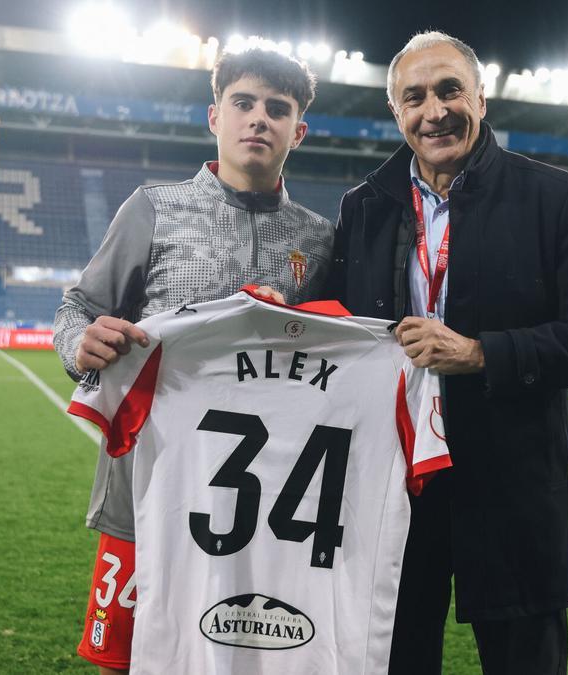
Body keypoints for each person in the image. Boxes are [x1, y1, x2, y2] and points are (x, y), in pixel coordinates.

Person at [321, 31, 568, 674]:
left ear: (482, 99)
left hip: (513, 491)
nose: (433, 110)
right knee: (397, 659)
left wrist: (482, 353)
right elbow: (333, 334)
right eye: (414, 97)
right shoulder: (364, 209)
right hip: (395, 493)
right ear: (397, 113)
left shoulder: (555, 196)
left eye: (449, 90)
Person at [52, 47, 332, 674]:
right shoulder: (152, 207)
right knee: (124, 658)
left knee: (254, 653)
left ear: (298, 130)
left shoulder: (319, 239)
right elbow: (78, 308)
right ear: (215, 116)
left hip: (269, 497)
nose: (258, 118)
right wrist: (80, 344)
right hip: (147, 484)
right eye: (243, 103)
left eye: (276, 109)